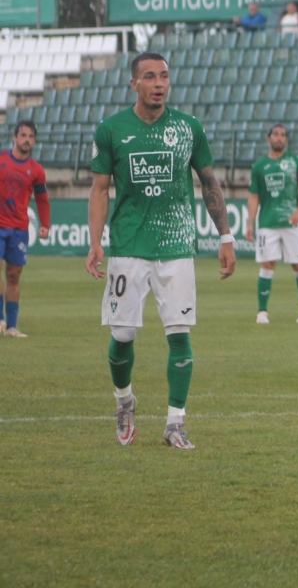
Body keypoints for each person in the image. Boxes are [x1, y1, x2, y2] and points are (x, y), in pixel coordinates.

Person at [86, 52, 237, 451]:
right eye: (150, 76)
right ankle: (124, 401)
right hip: (129, 246)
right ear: (134, 83)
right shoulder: (112, 129)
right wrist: (95, 243)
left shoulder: (188, 129)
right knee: (122, 334)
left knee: (180, 334)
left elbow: (209, 182)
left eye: (164, 76)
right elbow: (100, 189)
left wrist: (225, 237)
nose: (159, 83)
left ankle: (175, 422)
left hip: (176, 245)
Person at [246, 124, 298, 326]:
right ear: (268, 139)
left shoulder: (296, 162)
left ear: (286, 140)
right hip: (267, 223)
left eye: (283, 135)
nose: (279, 138)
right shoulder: (259, 167)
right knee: (267, 264)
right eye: (276, 134)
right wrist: (250, 223)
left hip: (291, 224)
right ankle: (262, 312)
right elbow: (254, 196)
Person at [0, 121, 50, 339]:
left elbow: (42, 199)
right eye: (23, 135)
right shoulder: (1, 160)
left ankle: (11, 326)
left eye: (31, 136)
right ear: (15, 137)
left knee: (13, 276)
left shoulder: (37, 170)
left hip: (19, 228)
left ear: (35, 141)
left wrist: (46, 224)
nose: (27, 139)